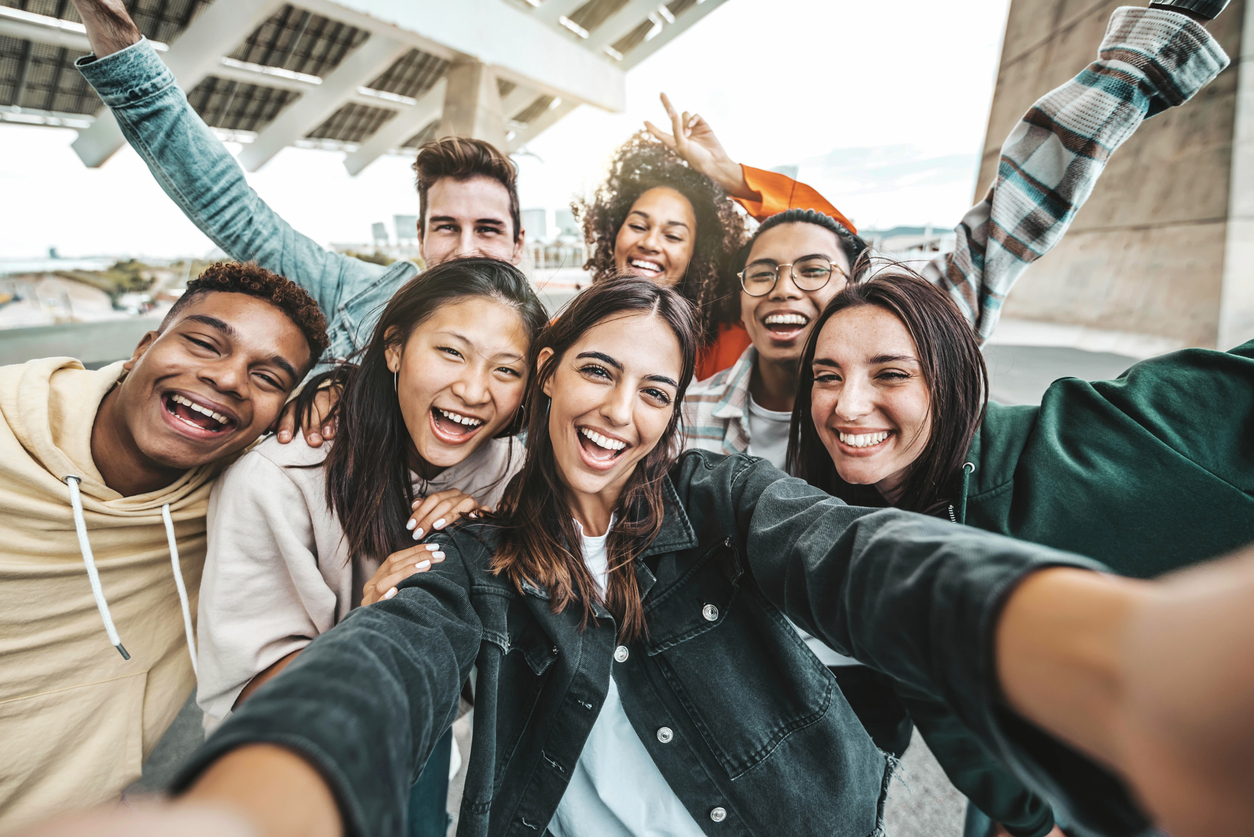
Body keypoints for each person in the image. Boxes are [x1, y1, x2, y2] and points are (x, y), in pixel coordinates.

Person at [17, 281, 1254, 837]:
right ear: (545, 377)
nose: (620, 413)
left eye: (655, 391)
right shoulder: (478, 539)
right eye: (596, 371)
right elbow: (386, 665)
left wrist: (1117, 654)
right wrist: (243, 808)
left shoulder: (720, 495)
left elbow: (863, 557)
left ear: (679, 413)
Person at [69, 0, 528, 445]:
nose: (466, 248)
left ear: (518, 242)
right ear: (421, 236)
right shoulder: (354, 290)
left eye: (488, 229)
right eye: (447, 227)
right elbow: (232, 209)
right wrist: (112, 25)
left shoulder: (547, 345)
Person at [195, 258, 546, 835]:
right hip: (297, 753)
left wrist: (488, 543)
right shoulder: (278, 478)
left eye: (506, 370)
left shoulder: (510, 472)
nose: (474, 389)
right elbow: (246, 690)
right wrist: (378, 627)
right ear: (393, 350)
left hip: (423, 730)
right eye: (451, 352)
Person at [0, 263, 328, 831]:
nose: (228, 380)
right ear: (143, 347)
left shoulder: (240, 501)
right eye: (204, 344)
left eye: (269, 379)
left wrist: (339, 390)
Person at [576, 100, 857, 380]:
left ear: (697, 255)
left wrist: (723, 170)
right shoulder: (573, 329)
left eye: (673, 235)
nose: (650, 243)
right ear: (613, 234)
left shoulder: (730, 337)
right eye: (638, 225)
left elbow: (832, 235)